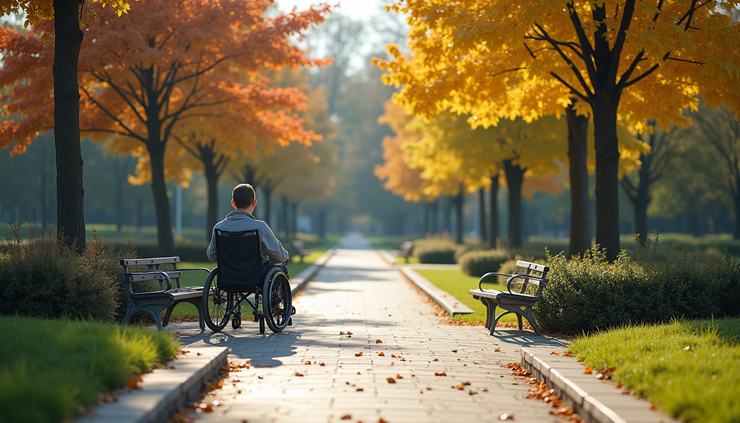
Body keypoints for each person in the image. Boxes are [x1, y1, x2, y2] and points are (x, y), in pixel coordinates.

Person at [206, 183, 289, 278]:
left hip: (229, 277)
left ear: (233, 203)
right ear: (254, 203)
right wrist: (285, 256)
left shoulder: (219, 228)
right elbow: (280, 256)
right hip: (255, 277)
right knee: (283, 269)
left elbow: (211, 256)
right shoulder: (260, 227)